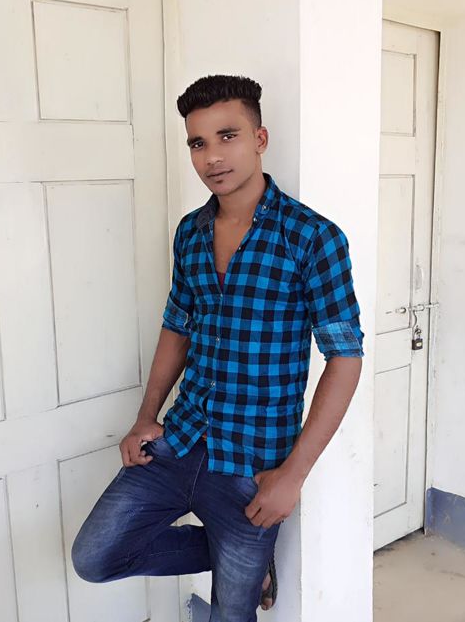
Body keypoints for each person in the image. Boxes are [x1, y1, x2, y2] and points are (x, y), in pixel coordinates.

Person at [71, 74, 364, 621]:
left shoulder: (312, 238)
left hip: (253, 462)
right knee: (95, 556)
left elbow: (345, 357)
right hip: (181, 438)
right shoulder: (190, 232)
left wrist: (293, 476)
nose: (212, 157)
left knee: (231, 612)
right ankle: (241, 560)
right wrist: (145, 418)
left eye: (228, 136)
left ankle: (245, 566)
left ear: (260, 139)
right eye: (198, 143)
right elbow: (176, 327)